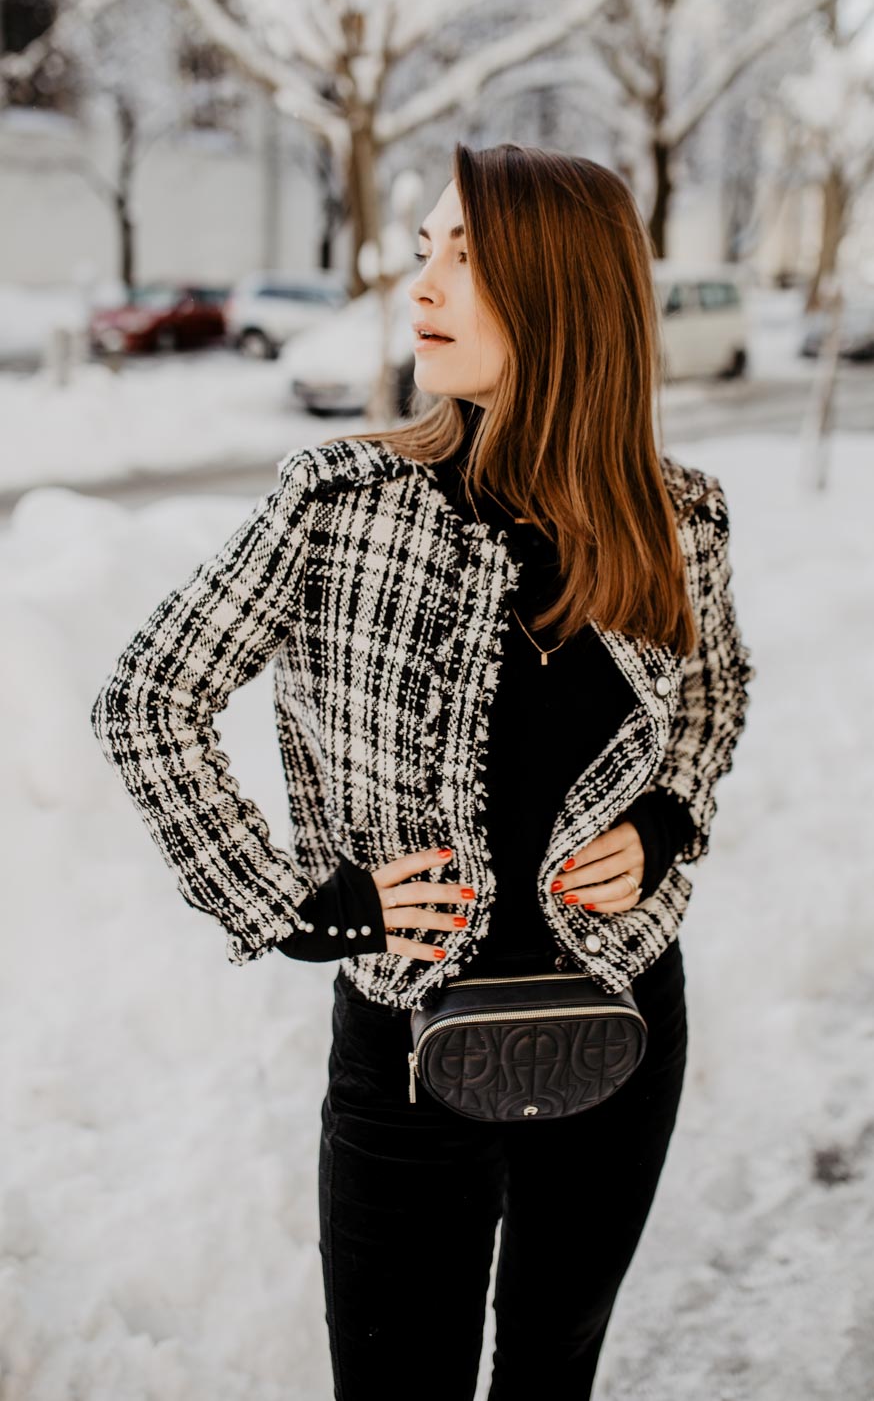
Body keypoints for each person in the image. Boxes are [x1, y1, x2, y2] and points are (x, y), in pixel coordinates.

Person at [90, 141, 756, 1400]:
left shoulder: (679, 522)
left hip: (616, 1031)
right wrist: (298, 899)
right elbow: (147, 699)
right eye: (422, 254)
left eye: (465, 257)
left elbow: (713, 696)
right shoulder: (339, 501)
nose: (423, 289)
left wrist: (669, 817)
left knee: (555, 1366)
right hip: (408, 1059)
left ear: (561, 289)